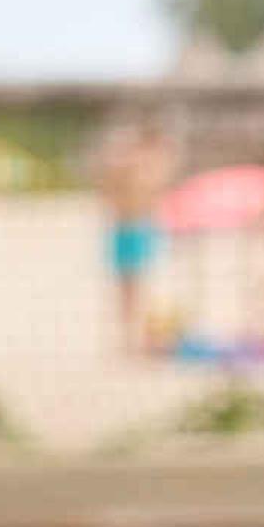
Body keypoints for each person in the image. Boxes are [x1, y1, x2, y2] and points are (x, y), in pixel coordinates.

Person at [93, 114, 177, 354]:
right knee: (128, 287)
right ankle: (130, 338)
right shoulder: (131, 164)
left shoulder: (151, 165)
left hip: (138, 226)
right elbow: (109, 189)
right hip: (127, 227)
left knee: (137, 286)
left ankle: (137, 338)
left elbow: (153, 189)